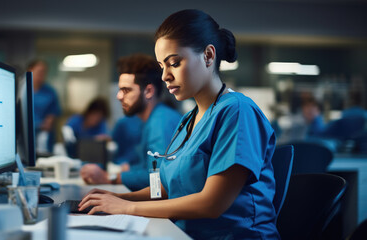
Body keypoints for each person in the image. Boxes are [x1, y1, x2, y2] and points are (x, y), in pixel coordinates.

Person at [78, 9, 279, 239]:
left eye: (174, 63)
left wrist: (126, 208)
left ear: (208, 56)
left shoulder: (237, 111)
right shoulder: (188, 120)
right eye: (162, 66)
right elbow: (162, 190)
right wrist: (117, 198)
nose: (164, 75)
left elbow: (212, 203)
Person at [80, 54, 181, 191]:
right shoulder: (153, 118)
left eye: (126, 90)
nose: (119, 96)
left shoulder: (160, 122)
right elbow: (147, 166)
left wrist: (109, 177)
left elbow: (158, 177)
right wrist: (124, 172)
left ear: (149, 91)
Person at [28, 59, 61, 153]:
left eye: (44, 72)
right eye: (39, 71)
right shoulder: (21, 90)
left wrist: (47, 123)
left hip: (43, 136)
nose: (42, 74)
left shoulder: (50, 92)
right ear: (30, 71)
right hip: (25, 135)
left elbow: (53, 113)